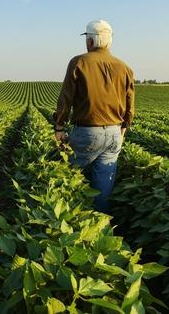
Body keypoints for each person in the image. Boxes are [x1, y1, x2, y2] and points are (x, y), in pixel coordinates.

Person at [53, 19, 135, 213]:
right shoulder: (124, 67)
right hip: (115, 133)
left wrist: (59, 126)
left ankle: (68, 221)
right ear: (109, 41)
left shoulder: (79, 62)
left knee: (64, 175)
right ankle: (99, 226)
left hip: (87, 132)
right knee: (102, 187)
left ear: (90, 41)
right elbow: (130, 102)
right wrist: (125, 126)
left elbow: (66, 97)